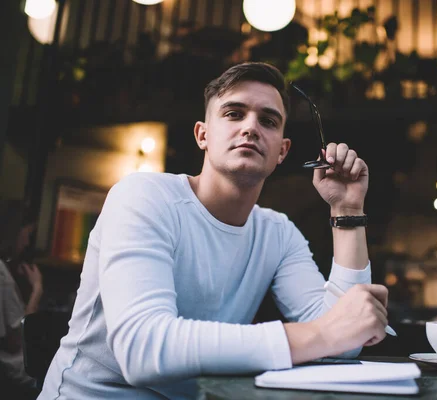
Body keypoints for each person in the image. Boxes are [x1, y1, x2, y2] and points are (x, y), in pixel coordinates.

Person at [39, 62, 389, 399]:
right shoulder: (143, 196)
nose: (251, 127)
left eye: (268, 120)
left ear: (282, 151)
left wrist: (347, 210)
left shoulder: (278, 234)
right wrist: (321, 334)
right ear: (202, 135)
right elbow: (142, 348)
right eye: (234, 114)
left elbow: (345, 340)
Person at [0, 200, 44, 399]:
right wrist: (37, 289)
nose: (26, 243)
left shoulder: (6, 271)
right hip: (15, 374)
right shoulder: (2, 278)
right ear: (14, 233)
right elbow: (15, 340)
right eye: (26, 235)